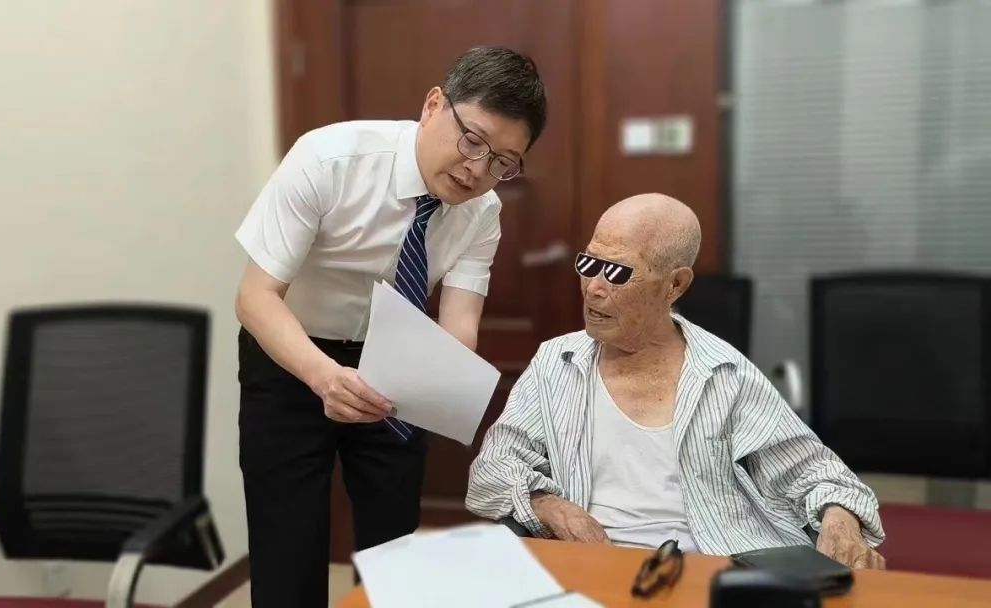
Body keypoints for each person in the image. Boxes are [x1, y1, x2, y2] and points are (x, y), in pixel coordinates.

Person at [233, 46, 547, 607]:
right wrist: (324, 376)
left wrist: (440, 383)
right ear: (433, 105)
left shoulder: (483, 213)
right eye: (472, 141)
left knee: (394, 549)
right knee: (288, 550)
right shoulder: (328, 160)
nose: (479, 171)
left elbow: (458, 326)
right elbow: (255, 298)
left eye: (504, 161)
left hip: (399, 364)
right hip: (292, 356)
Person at [465, 193, 887, 569]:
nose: (593, 288)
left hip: (707, 569)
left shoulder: (723, 374)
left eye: (617, 273)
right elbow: (491, 469)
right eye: (588, 264)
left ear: (675, 284)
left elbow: (818, 474)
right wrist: (549, 506)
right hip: (591, 568)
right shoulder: (557, 363)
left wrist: (840, 520)